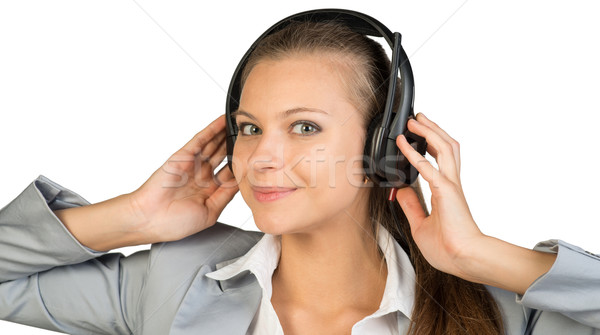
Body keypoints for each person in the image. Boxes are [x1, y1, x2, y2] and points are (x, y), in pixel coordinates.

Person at [1, 10, 599, 335]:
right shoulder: (172, 279)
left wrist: (482, 258)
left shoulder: (510, 310)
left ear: (386, 144)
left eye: (305, 127)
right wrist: (131, 218)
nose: (261, 156)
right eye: (250, 127)